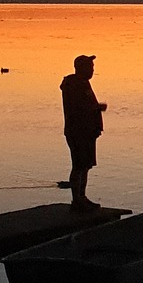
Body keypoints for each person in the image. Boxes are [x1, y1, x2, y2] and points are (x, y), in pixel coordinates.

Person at [61, 54, 107, 208]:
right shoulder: (76, 85)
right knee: (79, 165)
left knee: (85, 165)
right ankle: (77, 199)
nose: (93, 70)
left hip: (86, 133)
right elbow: (80, 109)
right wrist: (98, 107)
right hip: (79, 132)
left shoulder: (81, 83)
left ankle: (82, 197)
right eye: (90, 67)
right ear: (82, 68)